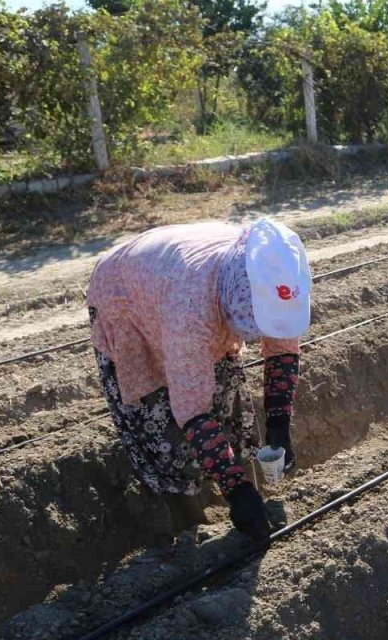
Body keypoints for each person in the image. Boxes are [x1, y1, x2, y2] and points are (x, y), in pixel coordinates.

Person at [86, 217, 311, 543]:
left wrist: (279, 421)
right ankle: (189, 522)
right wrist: (236, 490)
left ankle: (242, 491)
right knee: (163, 419)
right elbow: (191, 409)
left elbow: (283, 343)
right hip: (126, 296)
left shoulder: (276, 274)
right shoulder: (190, 309)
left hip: (173, 278)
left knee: (226, 392)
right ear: (240, 301)